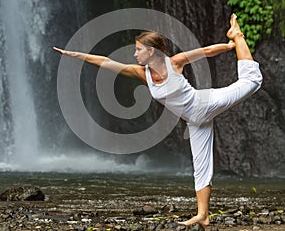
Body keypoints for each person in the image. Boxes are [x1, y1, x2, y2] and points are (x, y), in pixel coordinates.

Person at [53, 14, 262, 227]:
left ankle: (238, 34)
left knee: (253, 81)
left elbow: (206, 51)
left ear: (151, 51)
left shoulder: (174, 63)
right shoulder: (142, 73)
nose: (135, 54)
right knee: (201, 166)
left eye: (138, 50)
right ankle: (203, 214)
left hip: (204, 104)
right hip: (194, 121)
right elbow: (106, 62)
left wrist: (230, 46)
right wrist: (74, 55)